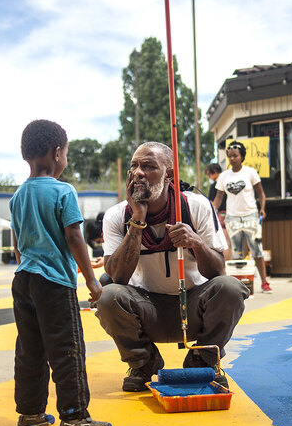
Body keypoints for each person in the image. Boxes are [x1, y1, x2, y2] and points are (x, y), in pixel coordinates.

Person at [95, 142, 249, 392]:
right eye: (134, 166)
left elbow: (218, 271)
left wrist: (196, 243)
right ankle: (144, 363)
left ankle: (203, 360)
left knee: (230, 288)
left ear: (169, 175)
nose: (138, 173)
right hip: (147, 309)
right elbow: (117, 276)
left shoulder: (196, 206)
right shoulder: (117, 215)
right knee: (107, 293)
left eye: (148, 166)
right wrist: (137, 221)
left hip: (192, 307)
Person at [9, 119, 111, 426]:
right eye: (65, 153)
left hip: (23, 279)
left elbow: (17, 246)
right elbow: (74, 236)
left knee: (30, 348)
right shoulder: (62, 190)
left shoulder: (17, 197)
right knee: (67, 347)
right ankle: (74, 416)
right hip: (54, 283)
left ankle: (29, 413)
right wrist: (92, 280)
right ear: (57, 153)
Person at [212, 141, 272, 293]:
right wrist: (212, 209)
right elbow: (219, 197)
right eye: (230, 156)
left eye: (235, 156)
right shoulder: (224, 176)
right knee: (237, 254)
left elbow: (261, 193)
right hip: (232, 218)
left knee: (257, 251)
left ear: (242, 156)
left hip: (251, 216)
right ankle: (239, 286)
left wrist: (262, 209)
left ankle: (264, 283)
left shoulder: (250, 172)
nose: (232, 159)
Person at [205, 163, 231, 259]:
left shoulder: (215, 186)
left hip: (221, 214)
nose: (209, 177)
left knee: (224, 241)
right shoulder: (228, 182)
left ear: (215, 172)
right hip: (232, 213)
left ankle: (226, 264)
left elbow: (212, 202)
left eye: (209, 174)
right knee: (231, 242)